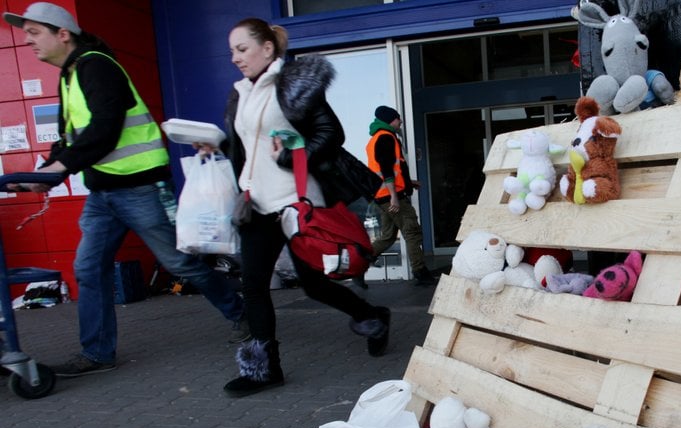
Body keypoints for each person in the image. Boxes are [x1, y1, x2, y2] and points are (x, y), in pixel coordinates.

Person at [2, 2, 248, 378]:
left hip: (140, 187)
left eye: (35, 32)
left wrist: (61, 167)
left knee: (178, 262)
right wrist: (45, 171)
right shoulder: (69, 75)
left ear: (62, 34)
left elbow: (106, 126)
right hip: (103, 193)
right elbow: (71, 136)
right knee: (88, 268)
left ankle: (243, 314)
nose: (28, 41)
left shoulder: (97, 66)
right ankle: (98, 353)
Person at [197, 18, 390, 397]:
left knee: (315, 285)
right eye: (232, 50)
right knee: (253, 285)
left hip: (296, 203)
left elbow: (331, 134)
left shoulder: (294, 85)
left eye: (242, 49)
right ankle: (264, 370)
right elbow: (248, 145)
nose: (235, 57)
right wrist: (217, 145)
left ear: (267, 49)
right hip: (256, 204)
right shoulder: (241, 93)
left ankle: (371, 316)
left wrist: (290, 155)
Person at [365, 106, 438, 286]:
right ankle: (421, 273)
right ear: (391, 120)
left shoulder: (377, 138)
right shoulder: (386, 137)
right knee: (412, 231)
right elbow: (386, 169)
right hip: (392, 196)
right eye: (398, 119)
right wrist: (394, 197)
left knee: (388, 236)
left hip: (383, 195)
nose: (401, 122)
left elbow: (391, 170)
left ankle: (362, 259)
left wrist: (408, 182)